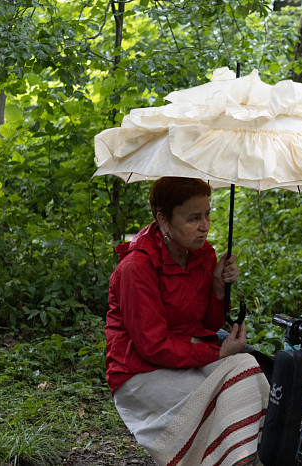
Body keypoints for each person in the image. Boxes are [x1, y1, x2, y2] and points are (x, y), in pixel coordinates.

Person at [104, 177, 270, 466]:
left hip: (187, 352)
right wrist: (217, 353)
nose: (204, 225)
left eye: (207, 214)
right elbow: (152, 346)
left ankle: (245, 456)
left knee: (248, 368)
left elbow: (206, 324)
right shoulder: (136, 267)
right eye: (193, 218)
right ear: (163, 219)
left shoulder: (203, 255)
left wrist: (218, 288)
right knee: (221, 395)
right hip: (140, 370)